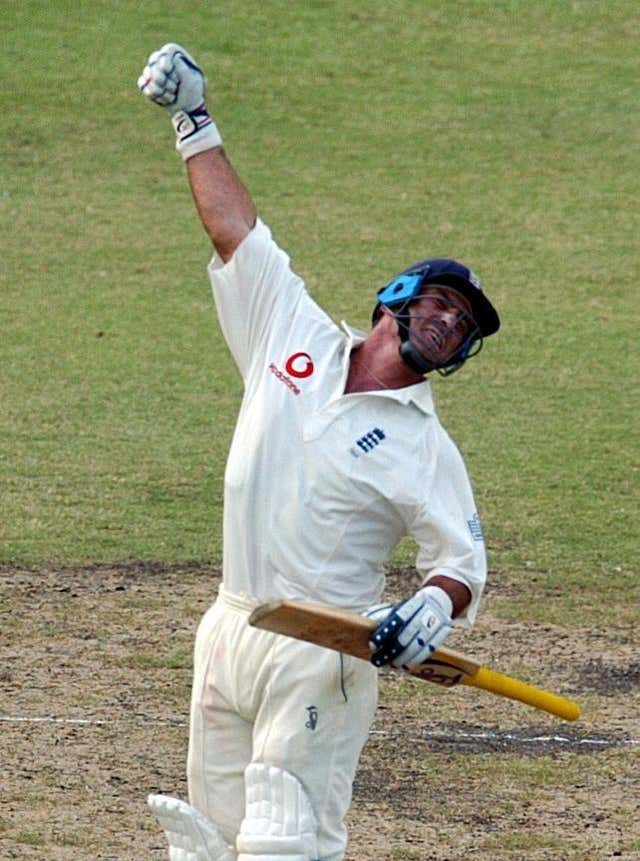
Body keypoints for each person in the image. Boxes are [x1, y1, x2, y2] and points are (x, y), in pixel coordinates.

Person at [138, 43, 500, 861]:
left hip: (327, 645)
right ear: (397, 300)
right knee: (209, 843)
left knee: (285, 840)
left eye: (465, 325)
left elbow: (463, 560)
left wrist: (430, 609)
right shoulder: (288, 328)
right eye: (443, 303)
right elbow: (237, 232)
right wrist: (193, 120)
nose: (451, 323)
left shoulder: (423, 443)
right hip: (230, 624)